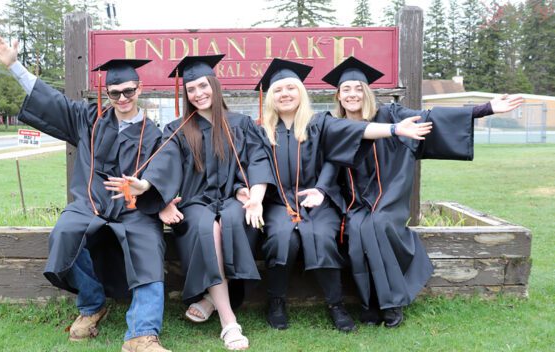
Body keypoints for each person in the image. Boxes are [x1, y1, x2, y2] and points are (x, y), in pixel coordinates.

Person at [0, 34, 170, 352]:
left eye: (129, 91)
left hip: (134, 209)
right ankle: (92, 304)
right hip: (90, 204)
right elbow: (49, 99)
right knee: (64, 233)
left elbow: (167, 166)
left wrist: (147, 186)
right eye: (115, 93)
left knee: (151, 245)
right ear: (107, 93)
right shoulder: (89, 119)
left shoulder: (154, 134)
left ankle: (141, 334)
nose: (123, 98)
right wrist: (15, 66)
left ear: (139, 89)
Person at [322, 56, 524, 328]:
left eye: (359, 88)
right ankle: (369, 302)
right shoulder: (335, 125)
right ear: (338, 95)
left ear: (368, 92)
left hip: (388, 200)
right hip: (355, 204)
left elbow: (431, 117)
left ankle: (391, 304)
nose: (353, 94)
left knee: (378, 225)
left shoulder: (390, 115)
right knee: (357, 231)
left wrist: (486, 108)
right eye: (346, 89)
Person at [253, 58, 435, 333]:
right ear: (270, 98)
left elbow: (351, 137)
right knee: (281, 238)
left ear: (300, 92)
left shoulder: (320, 123)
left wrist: (395, 129)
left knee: (323, 236)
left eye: (291, 88)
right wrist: (252, 194)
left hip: (319, 201)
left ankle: (335, 304)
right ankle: (276, 301)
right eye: (278, 90)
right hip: (280, 203)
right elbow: (256, 165)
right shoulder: (260, 130)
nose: (285, 94)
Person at [107, 55, 272, 350]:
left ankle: (211, 298)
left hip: (235, 198)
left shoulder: (241, 124)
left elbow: (258, 161)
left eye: (203, 86)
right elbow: (163, 165)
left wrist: (254, 197)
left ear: (215, 86)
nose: (198, 94)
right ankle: (229, 321)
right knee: (207, 228)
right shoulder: (178, 128)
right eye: (191, 89)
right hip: (195, 202)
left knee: (235, 219)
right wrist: (147, 188)